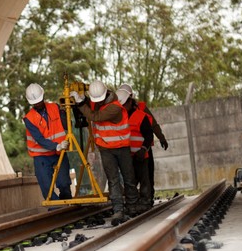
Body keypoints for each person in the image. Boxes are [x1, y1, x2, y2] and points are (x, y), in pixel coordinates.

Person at [70, 80, 136, 222]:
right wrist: (83, 99)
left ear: (106, 94)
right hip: (106, 149)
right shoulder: (99, 102)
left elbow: (96, 116)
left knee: (128, 178)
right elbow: (92, 107)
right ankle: (118, 210)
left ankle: (132, 206)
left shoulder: (115, 107)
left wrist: (80, 103)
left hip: (122, 147)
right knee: (113, 180)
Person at [23, 83, 72, 201]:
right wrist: (57, 146)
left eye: (39, 101)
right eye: (35, 103)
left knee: (64, 183)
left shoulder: (54, 107)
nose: (38, 104)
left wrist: (67, 110)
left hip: (59, 153)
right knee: (47, 188)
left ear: (43, 96)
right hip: (41, 156)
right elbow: (39, 139)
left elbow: (67, 124)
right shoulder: (29, 119)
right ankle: (55, 209)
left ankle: (67, 206)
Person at [119, 84, 168, 199]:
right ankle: (134, 200)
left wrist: (161, 137)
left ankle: (148, 198)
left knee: (147, 174)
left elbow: (153, 124)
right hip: (127, 151)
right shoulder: (118, 111)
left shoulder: (141, 108)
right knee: (131, 178)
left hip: (144, 148)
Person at [117, 88, 154, 216]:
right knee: (129, 181)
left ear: (130, 102)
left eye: (123, 105)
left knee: (144, 180)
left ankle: (145, 202)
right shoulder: (119, 117)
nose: (122, 107)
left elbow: (149, 135)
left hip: (141, 155)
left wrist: (143, 149)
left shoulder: (140, 116)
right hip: (126, 156)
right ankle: (132, 204)